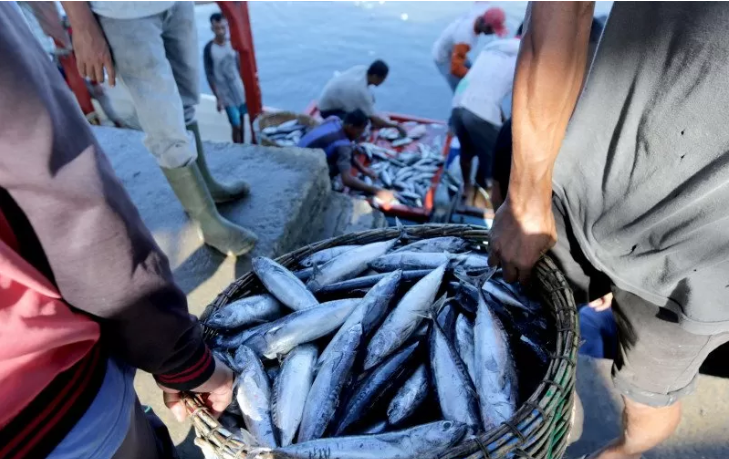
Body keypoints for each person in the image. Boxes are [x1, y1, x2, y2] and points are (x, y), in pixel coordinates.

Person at [489, 3, 729, 459]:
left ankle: (619, 451)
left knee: (645, 402)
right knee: (498, 332)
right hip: (588, 186)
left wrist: (523, 199)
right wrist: (525, 199)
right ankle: (565, 416)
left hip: (703, 269)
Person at [0, 4, 233, 458]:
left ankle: (209, 196)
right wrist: (182, 358)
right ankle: (205, 214)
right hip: (48, 403)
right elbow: (63, 200)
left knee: (180, 104)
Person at [62, 1, 257, 256]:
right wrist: (82, 23)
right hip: (121, 14)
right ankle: (206, 221)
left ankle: (206, 185)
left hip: (176, 5)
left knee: (187, 97)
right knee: (162, 117)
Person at [451, 31, 520, 209]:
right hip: (482, 112)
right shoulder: (527, 51)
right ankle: (488, 202)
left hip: (458, 104)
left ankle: (467, 188)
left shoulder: (492, 45)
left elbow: (484, 82)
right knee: (495, 159)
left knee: (466, 152)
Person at [298, 110, 395, 202]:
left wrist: (364, 170)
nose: (360, 135)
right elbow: (347, 180)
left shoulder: (333, 119)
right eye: (359, 132)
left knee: (345, 151)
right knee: (338, 165)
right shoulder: (343, 146)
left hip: (296, 153)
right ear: (350, 126)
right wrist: (377, 191)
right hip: (304, 169)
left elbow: (349, 152)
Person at [318, 60, 406, 137]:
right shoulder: (361, 92)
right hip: (328, 111)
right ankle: (350, 140)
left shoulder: (361, 69)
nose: (383, 82)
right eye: (382, 79)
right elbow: (375, 121)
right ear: (375, 76)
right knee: (363, 123)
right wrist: (395, 126)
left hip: (326, 100)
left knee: (365, 108)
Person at [432, 6, 507, 92]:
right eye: (494, 30)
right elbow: (455, 68)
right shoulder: (465, 38)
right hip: (444, 59)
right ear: (486, 26)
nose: (494, 33)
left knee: (472, 72)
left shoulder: (480, 12)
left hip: (455, 50)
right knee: (460, 91)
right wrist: (476, 77)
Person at [204, 12, 247, 144]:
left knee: (242, 121)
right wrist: (218, 98)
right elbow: (209, 74)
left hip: (239, 90)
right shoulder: (209, 49)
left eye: (223, 27)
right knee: (236, 125)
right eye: (217, 28)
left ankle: (243, 147)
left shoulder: (233, 44)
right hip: (225, 94)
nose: (221, 31)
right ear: (212, 29)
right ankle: (237, 148)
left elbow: (240, 67)